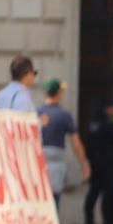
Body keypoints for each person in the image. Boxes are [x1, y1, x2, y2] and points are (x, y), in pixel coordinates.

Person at [37, 79, 90, 207]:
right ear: (58, 93)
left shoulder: (35, 112)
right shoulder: (64, 115)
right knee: (54, 202)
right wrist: (84, 164)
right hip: (56, 163)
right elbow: (76, 143)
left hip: (37, 162)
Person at [83, 98, 113, 224]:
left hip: (96, 165)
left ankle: (89, 223)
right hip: (108, 166)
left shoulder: (94, 124)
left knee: (93, 194)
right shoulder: (108, 125)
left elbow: (88, 145)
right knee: (109, 196)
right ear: (107, 109)